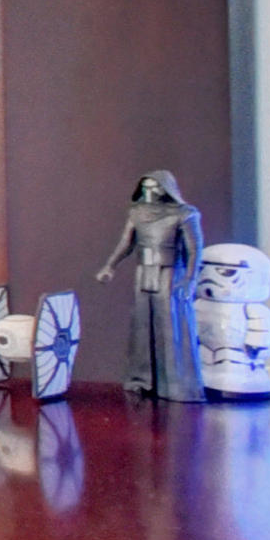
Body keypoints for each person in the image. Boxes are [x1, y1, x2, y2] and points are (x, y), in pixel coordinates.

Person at [94, 171, 206, 401]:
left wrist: (190, 280)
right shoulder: (137, 212)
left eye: (153, 187)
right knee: (142, 326)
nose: (149, 192)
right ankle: (141, 380)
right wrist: (109, 266)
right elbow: (126, 243)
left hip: (170, 273)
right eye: (145, 187)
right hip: (144, 272)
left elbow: (194, 250)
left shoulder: (184, 214)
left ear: (165, 189)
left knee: (171, 328)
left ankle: (176, 386)